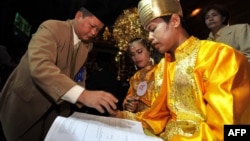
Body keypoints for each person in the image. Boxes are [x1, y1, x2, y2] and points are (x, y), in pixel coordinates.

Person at [115, 0, 250, 140]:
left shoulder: (218, 56)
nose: (149, 38)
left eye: (153, 29)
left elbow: (227, 129)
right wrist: (119, 115)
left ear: (174, 21)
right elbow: (157, 117)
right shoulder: (163, 66)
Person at [0, 0, 125, 140]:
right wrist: (83, 95)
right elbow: (40, 66)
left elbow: (78, 76)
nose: (94, 33)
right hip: (26, 106)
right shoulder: (51, 28)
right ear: (78, 16)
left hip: (55, 110)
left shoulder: (87, 46)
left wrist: (90, 101)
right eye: (92, 26)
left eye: (98, 30)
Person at [115, 38, 162, 120]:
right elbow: (128, 98)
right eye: (133, 54)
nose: (136, 57)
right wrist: (129, 105)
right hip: (137, 121)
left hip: (155, 121)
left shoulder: (160, 71)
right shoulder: (135, 77)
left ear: (149, 51)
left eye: (139, 52)